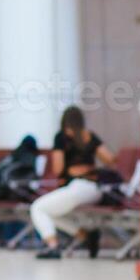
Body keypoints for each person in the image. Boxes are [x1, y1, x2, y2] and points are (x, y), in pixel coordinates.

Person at [31, 105, 116, 260]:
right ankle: (87, 236)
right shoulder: (89, 136)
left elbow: (58, 169)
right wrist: (91, 166)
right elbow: (110, 159)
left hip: (77, 187)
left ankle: (53, 246)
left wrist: (73, 168)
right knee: (51, 213)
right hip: (95, 190)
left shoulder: (61, 137)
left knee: (37, 208)